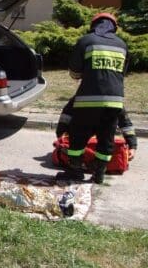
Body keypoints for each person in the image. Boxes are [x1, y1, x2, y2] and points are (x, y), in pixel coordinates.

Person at [63, 12, 128, 184]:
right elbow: (122, 73)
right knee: (106, 138)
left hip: (88, 101)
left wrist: (85, 74)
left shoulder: (86, 41)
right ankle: (99, 174)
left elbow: (74, 71)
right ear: (114, 27)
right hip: (114, 102)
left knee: (77, 136)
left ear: (94, 25)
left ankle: (75, 171)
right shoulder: (122, 45)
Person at [56, 96, 137, 161]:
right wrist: (62, 138)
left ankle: (77, 168)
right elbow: (65, 117)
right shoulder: (113, 101)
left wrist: (132, 146)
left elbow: (126, 124)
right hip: (99, 148)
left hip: (80, 146)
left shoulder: (81, 97)